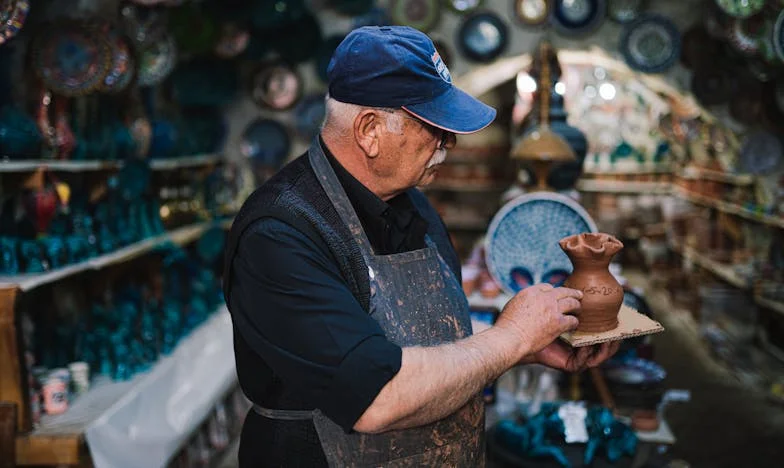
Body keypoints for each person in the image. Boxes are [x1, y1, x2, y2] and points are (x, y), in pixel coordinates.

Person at [223, 26, 620, 467]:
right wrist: (511, 338)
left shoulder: (414, 205)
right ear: (369, 130)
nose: (449, 143)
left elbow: (427, 346)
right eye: (433, 127)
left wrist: (523, 348)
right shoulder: (280, 234)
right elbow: (375, 395)